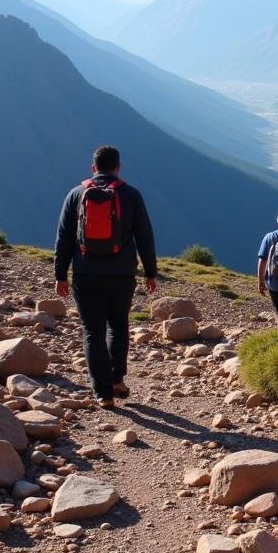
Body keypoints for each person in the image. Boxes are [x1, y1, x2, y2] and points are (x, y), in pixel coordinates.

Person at [54, 145, 157, 409]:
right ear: (118, 167)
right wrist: (150, 272)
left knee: (92, 332)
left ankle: (103, 393)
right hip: (121, 274)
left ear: (93, 168)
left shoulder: (76, 194)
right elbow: (144, 236)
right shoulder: (131, 195)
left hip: (86, 273)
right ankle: (116, 379)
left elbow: (64, 238)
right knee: (119, 325)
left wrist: (61, 275)